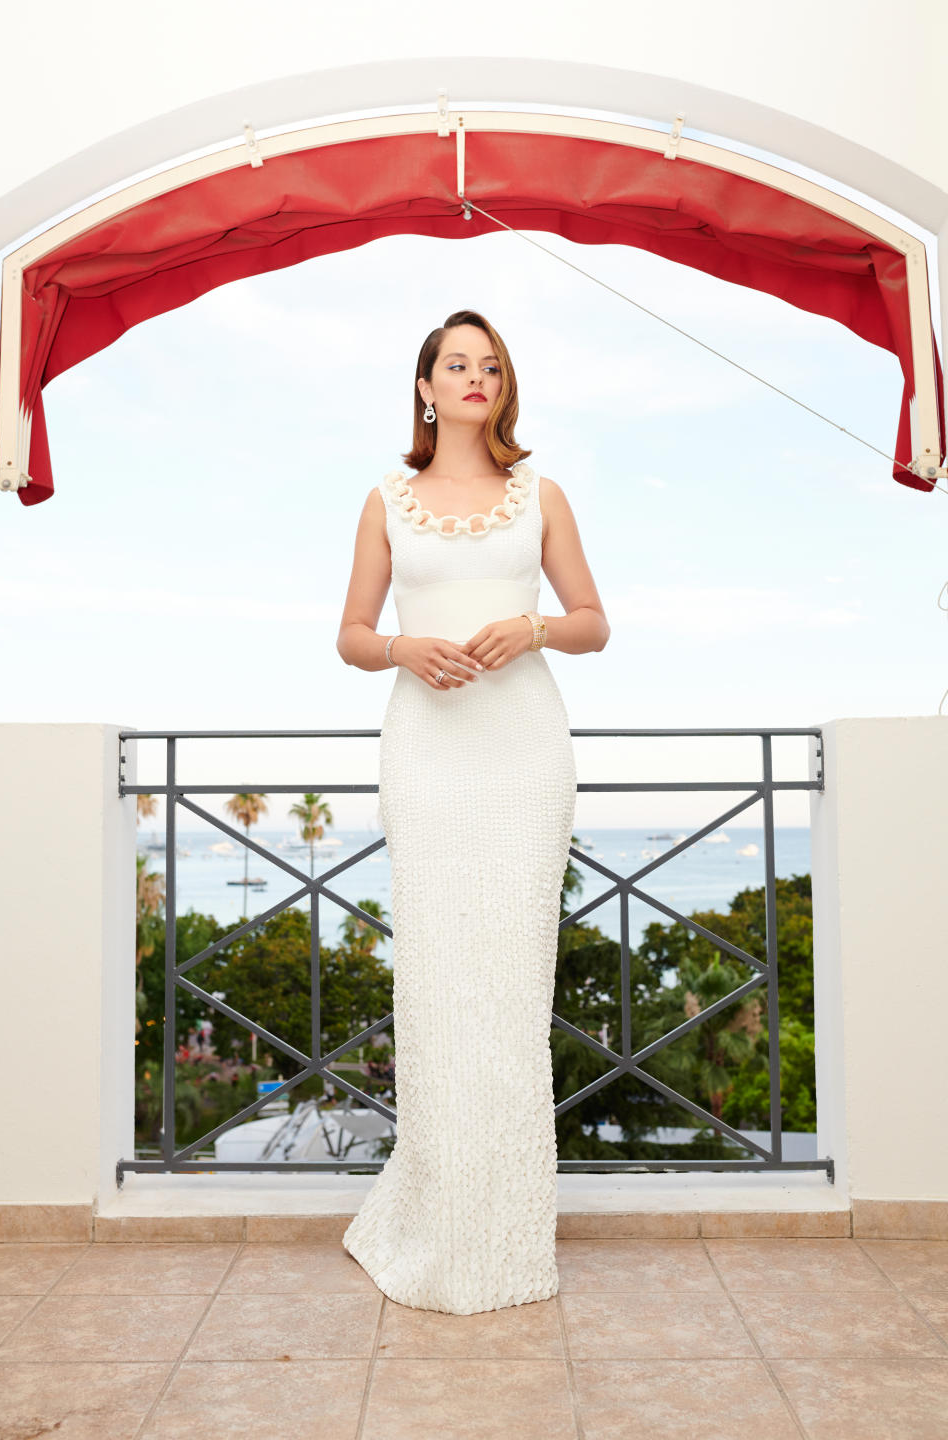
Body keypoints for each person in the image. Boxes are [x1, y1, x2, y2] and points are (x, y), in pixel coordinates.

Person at [335, 308, 610, 1314]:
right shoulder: (386, 501)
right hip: (428, 754)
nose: (474, 377)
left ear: (504, 384)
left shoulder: (542, 495)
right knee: (441, 986)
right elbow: (352, 634)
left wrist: (530, 628)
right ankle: (435, 1213)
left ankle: (505, 1237)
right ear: (426, 386)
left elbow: (594, 623)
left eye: (489, 365)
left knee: (509, 989)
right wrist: (406, 648)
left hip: (522, 754)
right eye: (456, 364)